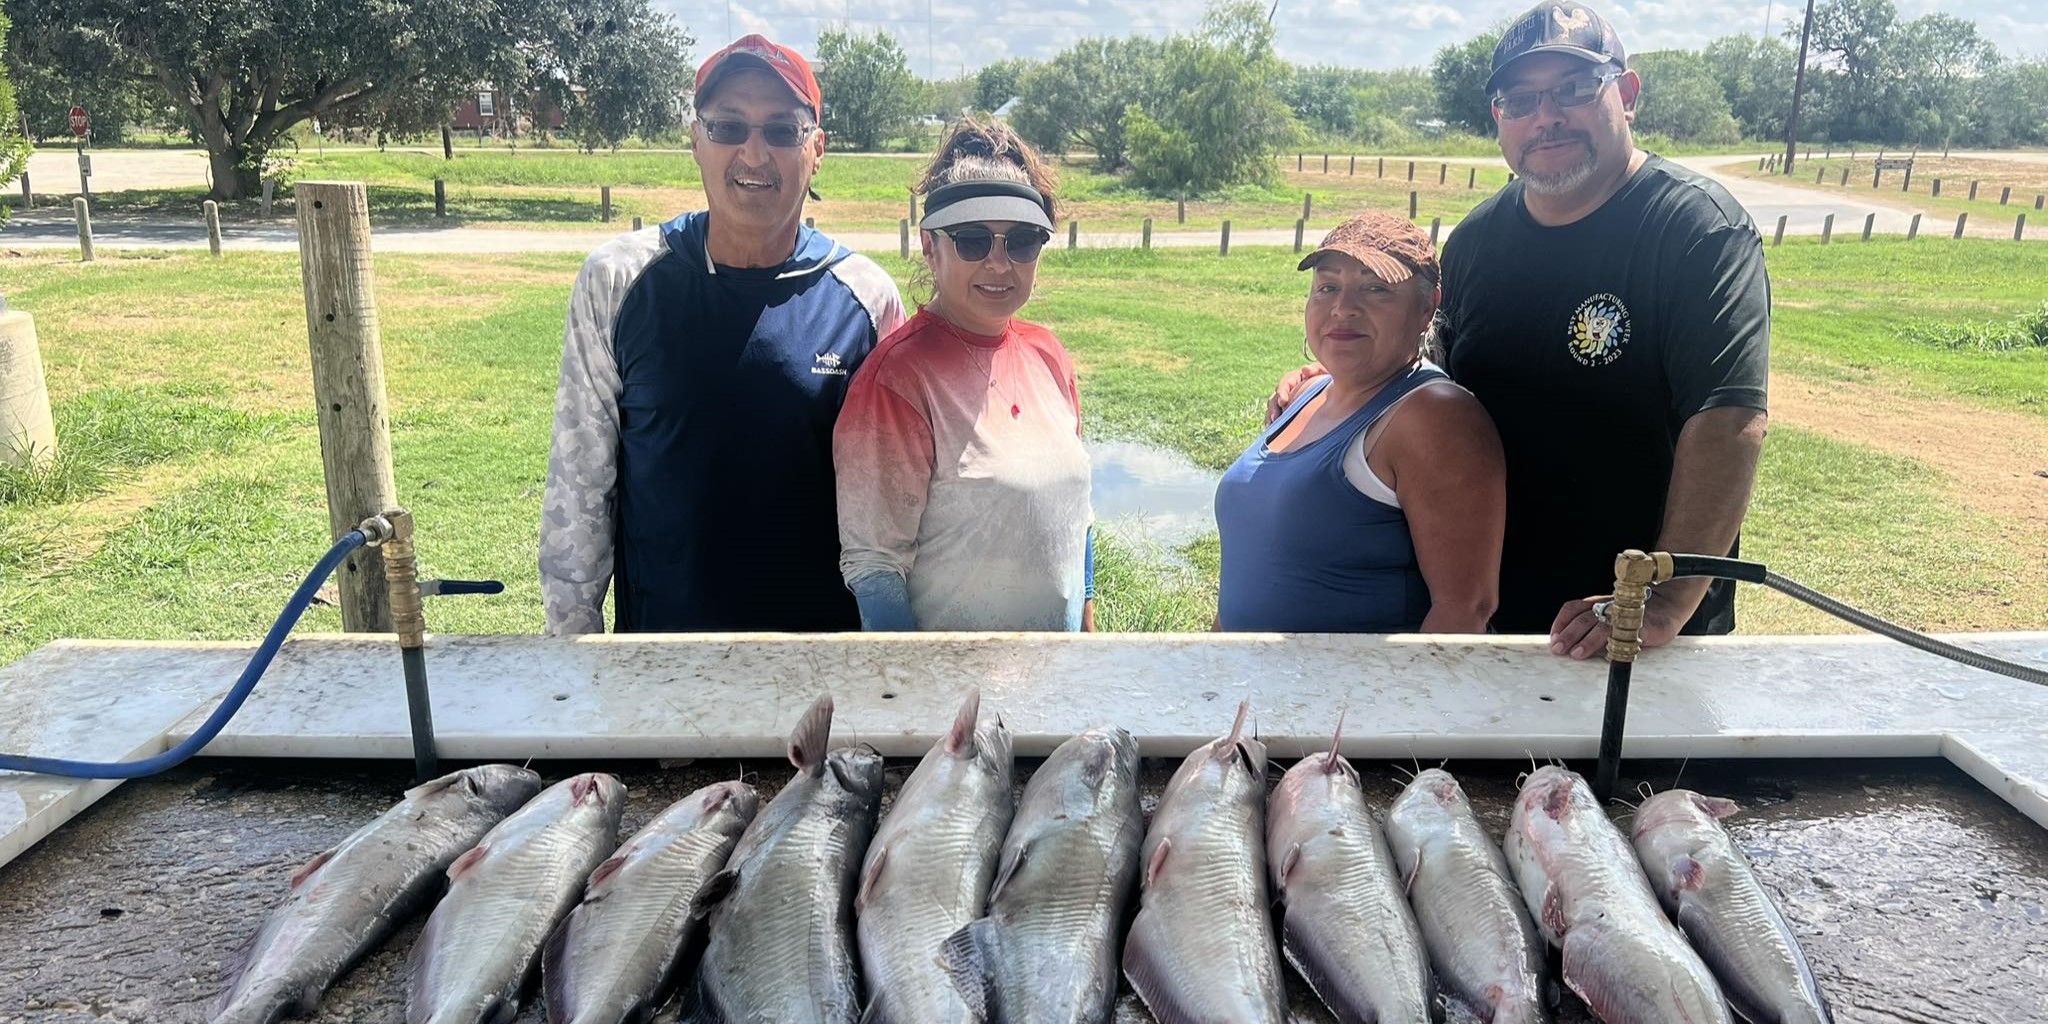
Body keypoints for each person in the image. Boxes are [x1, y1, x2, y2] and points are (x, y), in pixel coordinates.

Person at [1271, 0, 1769, 657]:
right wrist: (1338, 383)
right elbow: (1428, 380)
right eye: (1522, 98)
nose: (1546, 116)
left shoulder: (1695, 229)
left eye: (1573, 89)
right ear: (1498, 118)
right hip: (1489, 614)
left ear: (1627, 93)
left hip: (1630, 634)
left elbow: (1728, 418)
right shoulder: (1477, 241)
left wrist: (1662, 600)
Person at [541, 35, 905, 634]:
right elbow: (580, 487)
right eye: (729, 127)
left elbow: (896, 502)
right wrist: (570, 649)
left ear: (817, 150)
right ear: (696, 142)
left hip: (822, 664)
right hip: (665, 664)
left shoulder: (867, 298)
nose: (754, 155)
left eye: (782, 131)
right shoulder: (618, 280)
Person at [833, 119, 1095, 631]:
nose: (999, 263)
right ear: (930, 247)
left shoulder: (1049, 355)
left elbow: (1077, 517)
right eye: (972, 240)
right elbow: (875, 568)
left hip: (1055, 680)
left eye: (1021, 241)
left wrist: (1087, 637)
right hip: (955, 694)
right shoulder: (897, 380)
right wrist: (914, 694)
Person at [1216, 212, 1504, 633]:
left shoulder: (1435, 416)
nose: (1342, 308)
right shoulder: (1307, 394)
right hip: (1252, 688)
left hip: (1351, 696)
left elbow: (1465, 609)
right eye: (1327, 287)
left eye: (1376, 289)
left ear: (1428, 306)